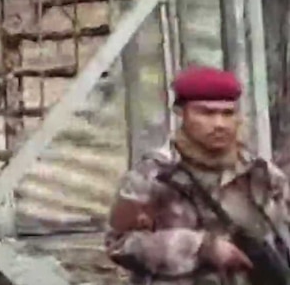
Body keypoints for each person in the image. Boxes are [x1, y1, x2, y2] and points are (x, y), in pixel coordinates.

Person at [105, 65, 290, 285]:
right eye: (206, 113)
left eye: (227, 113)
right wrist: (200, 248)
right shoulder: (153, 175)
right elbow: (118, 244)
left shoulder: (261, 174)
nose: (219, 124)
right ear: (181, 114)